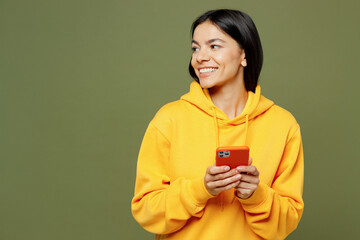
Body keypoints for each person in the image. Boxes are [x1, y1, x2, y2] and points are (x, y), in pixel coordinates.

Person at [131, 9, 304, 240]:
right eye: (195, 48)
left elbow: (288, 220)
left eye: (214, 46)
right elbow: (146, 211)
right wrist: (201, 189)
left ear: (244, 54)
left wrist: (256, 195)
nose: (199, 57)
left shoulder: (283, 125)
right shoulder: (169, 119)